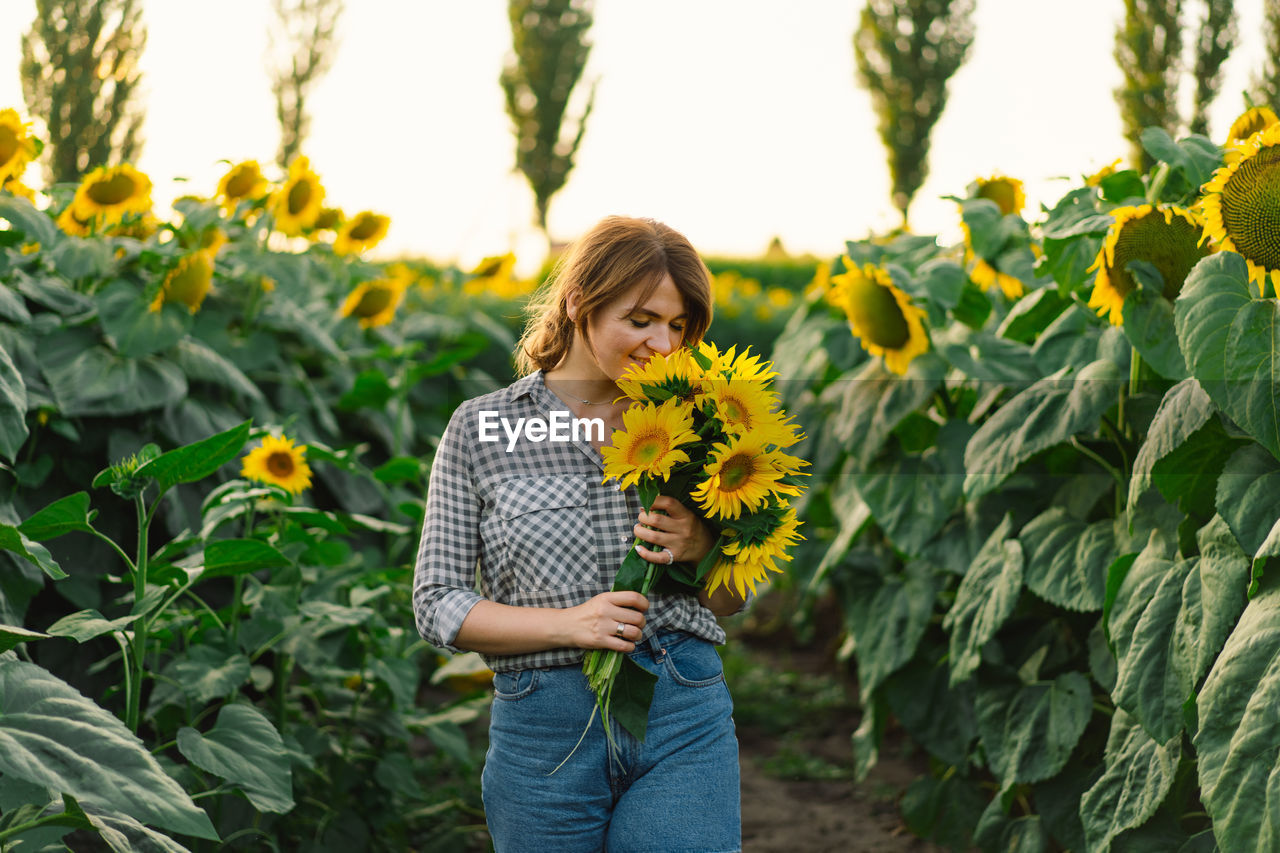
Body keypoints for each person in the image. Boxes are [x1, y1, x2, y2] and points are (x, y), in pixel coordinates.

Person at [413, 215, 747, 853]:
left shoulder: (703, 422)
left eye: (678, 326)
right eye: (641, 319)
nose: (662, 344)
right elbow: (437, 604)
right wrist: (572, 626)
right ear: (578, 303)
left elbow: (734, 602)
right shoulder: (483, 429)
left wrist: (704, 551)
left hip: (682, 708)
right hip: (545, 730)